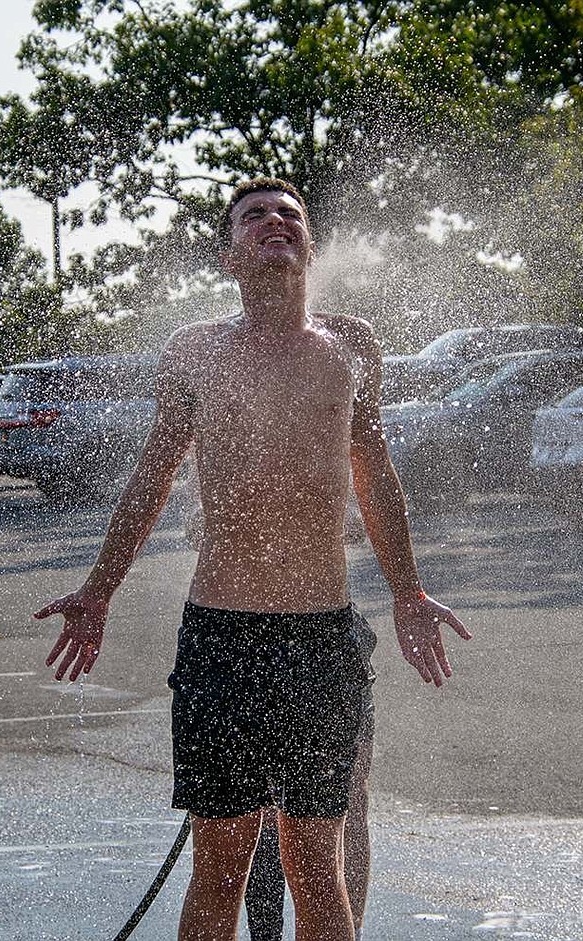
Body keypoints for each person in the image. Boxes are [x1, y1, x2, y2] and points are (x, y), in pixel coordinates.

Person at [36, 178, 470, 941]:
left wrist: (409, 591)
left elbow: (376, 471)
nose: (276, 222)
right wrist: (98, 591)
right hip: (221, 639)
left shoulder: (351, 345)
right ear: (231, 255)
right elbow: (151, 474)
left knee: (316, 863)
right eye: (255, 216)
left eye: (290, 215)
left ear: (309, 248)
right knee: (221, 865)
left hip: (320, 637)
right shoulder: (195, 351)